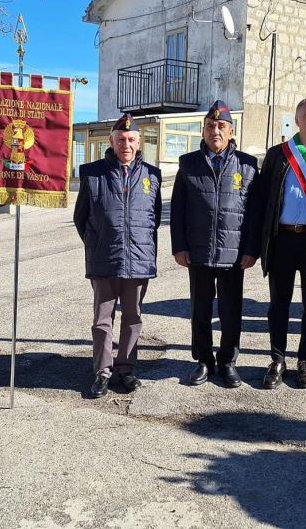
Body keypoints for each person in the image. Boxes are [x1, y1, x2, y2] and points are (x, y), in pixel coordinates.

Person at [251, 95, 306, 390]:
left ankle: (305, 361)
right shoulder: (278, 154)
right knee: (278, 304)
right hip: (282, 239)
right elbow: (263, 199)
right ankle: (277, 359)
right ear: (297, 118)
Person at [170, 101, 259, 388]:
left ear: (231, 131)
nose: (215, 131)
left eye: (221, 126)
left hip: (234, 254)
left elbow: (254, 213)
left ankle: (228, 361)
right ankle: (203, 361)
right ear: (203, 130)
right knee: (200, 309)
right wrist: (179, 246)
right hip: (198, 251)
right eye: (210, 126)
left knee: (232, 310)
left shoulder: (247, 165)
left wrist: (250, 249)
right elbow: (178, 211)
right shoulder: (188, 164)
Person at [73, 114, 161, 398]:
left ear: (139, 142)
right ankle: (102, 371)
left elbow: (154, 219)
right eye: (121, 139)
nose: (126, 144)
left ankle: (126, 368)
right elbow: (80, 218)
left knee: (133, 317)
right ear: (111, 141)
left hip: (138, 259)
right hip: (104, 259)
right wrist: (96, 244)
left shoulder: (152, 176)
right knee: (102, 319)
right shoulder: (93, 173)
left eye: (131, 139)